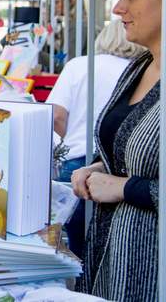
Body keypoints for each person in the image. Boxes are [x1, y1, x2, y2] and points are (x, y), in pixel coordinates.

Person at [74, 0, 163, 300]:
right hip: (110, 260)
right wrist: (97, 167)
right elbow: (129, 151)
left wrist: (123, 187)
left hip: (152, 273)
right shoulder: (138, 68)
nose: (118, 8)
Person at [46, 20, 144, 259]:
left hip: (75, 162)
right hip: (117, 169)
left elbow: (57, 115)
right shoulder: (139, 73)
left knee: (72, 242)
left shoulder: (79, 65)